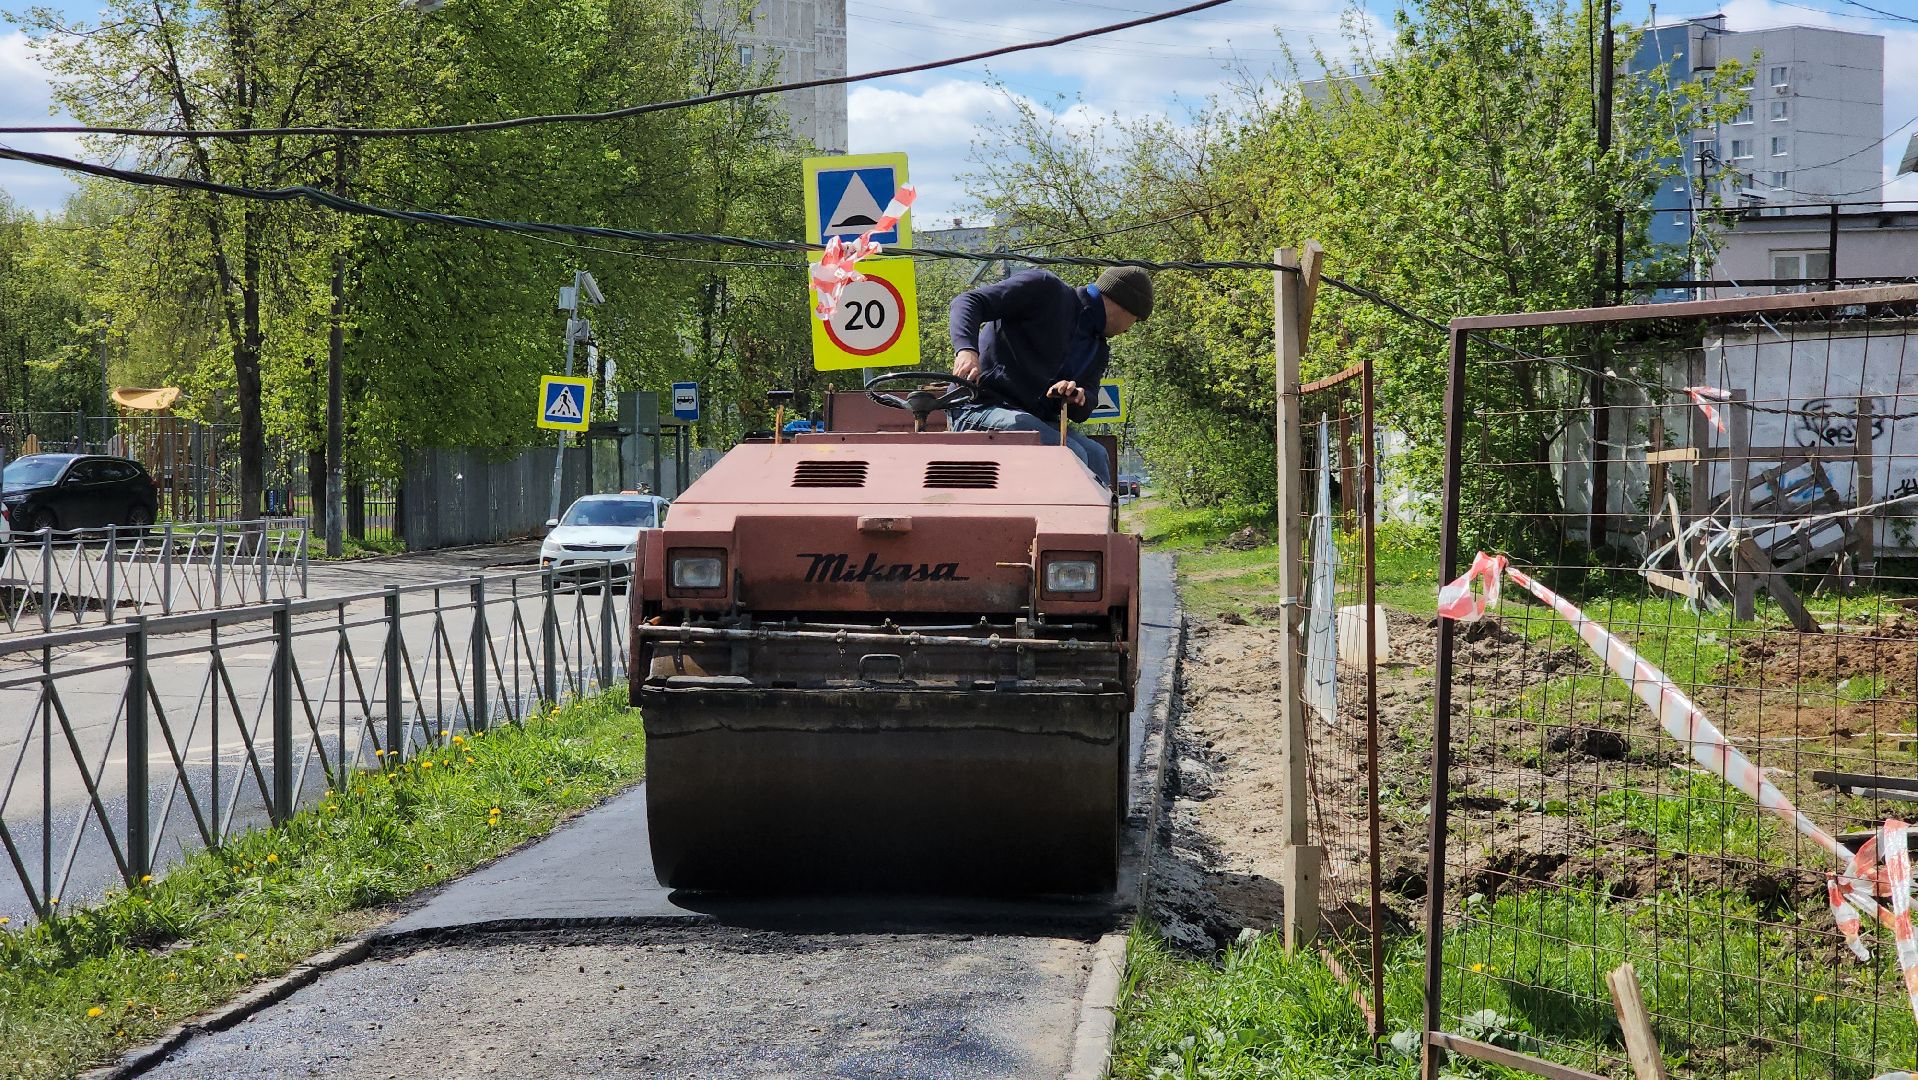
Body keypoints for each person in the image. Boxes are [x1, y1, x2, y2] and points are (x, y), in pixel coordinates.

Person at [946, 265, 1153, 483]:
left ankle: (1094, 517)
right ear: (1123, 304)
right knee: (1069, 453)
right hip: (977, 407)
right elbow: (968, 301)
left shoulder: (1097, 349)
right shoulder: (1045, 289)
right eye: (1135, 320)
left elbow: (1085, 407)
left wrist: (1076, 396)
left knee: (1096, 454)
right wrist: (966, 350)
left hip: (1034, 420)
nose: (1129, 329)